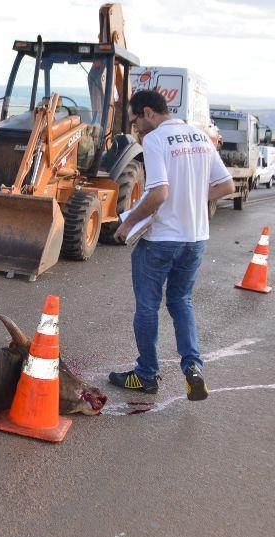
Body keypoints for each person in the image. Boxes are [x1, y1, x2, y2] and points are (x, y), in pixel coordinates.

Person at [110, 89, 235, 401]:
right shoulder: (201, 137)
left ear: (149, 112)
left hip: (160, 240)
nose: (135, 127)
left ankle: (146, 375)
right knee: (181, 302)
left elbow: (158, 195)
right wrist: (192, 199)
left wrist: (127, 223)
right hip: (194, 239)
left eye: (136, 120)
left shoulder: (155, 140)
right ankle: (193, 367)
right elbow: (227, 186)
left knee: (148, 306)